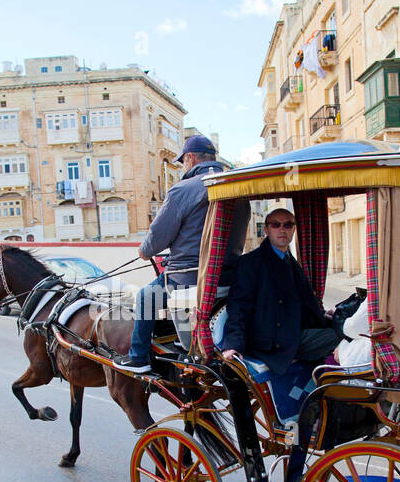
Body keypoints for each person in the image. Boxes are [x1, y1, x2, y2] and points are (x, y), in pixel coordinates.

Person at [112, 134, 225, 373]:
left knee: (145, 297)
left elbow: (157, 237)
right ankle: (181, 336)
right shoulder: (230, 184)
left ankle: (139, 358)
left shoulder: (184, 189)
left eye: (183, 161)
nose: (183, 166)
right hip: (227, 274)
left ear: (191, 158)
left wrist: (144, 251)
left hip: (189, 277)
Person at [220, 208, 340, 375]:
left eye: (288, 225)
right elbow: (239, 306)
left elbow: (301, 300)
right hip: (272, 340)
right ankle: (331, 393)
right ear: (267, 230)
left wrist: (321, 314)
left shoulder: (289, 260)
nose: (282, 229)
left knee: (343, 329)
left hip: (292, 330)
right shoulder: (250, 262)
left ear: (294, 229)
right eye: (276, 225)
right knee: (339, 340)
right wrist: (234, 344)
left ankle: (324, 390)